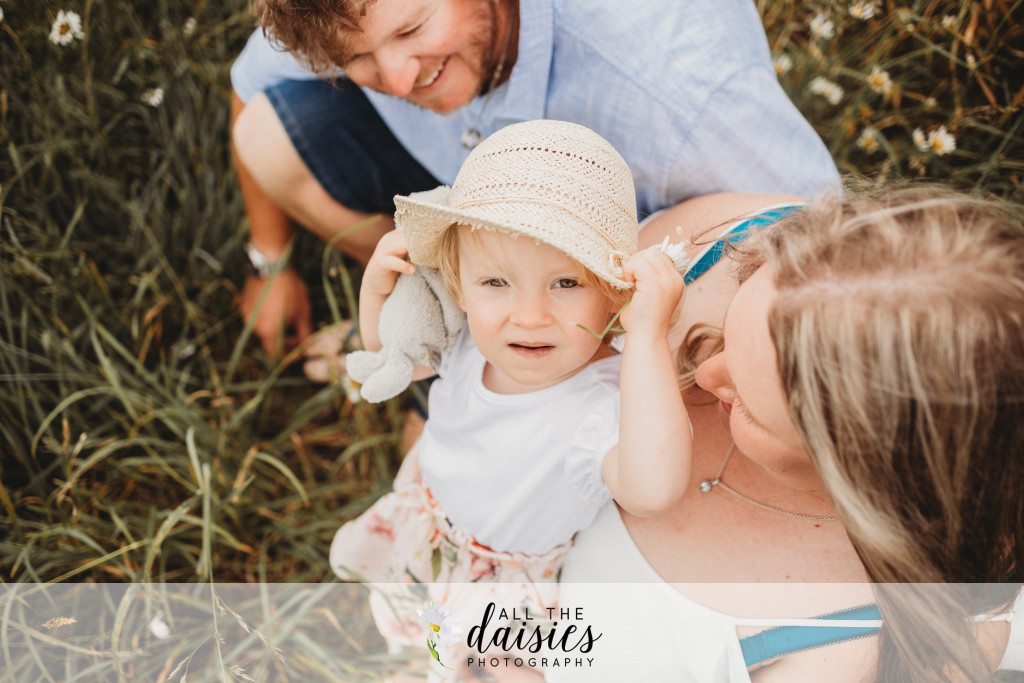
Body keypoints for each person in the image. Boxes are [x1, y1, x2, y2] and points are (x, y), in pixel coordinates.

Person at [543, 185, 1024, 682]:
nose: (704, 377)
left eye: (749, 408)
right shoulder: (717, 249)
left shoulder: (864, 651)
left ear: (860, 480)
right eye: (728, 334)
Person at [229, 0, 841, 357]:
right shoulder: (347, 13)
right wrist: (269, 261)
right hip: (474, 173)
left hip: (642, 248)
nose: (397, 81)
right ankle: (445, 325)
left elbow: (828, 243)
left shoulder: (676, 93)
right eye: (356, 60)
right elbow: (246, 84)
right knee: (262, 132)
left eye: (412, 31)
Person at [328, 120, 689, 665]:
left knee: (474, 661)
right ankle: (412, 650)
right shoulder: (468, 341)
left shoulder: (603, 402)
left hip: (501, 582)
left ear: (616, 295)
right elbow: (392, 358)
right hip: (431, 518)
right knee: (417, 619)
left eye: (566, 283)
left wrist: (647, 338)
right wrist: (375, 288)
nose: (529, 315)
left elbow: (653, 490)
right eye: (495, 282)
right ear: (459, 286)